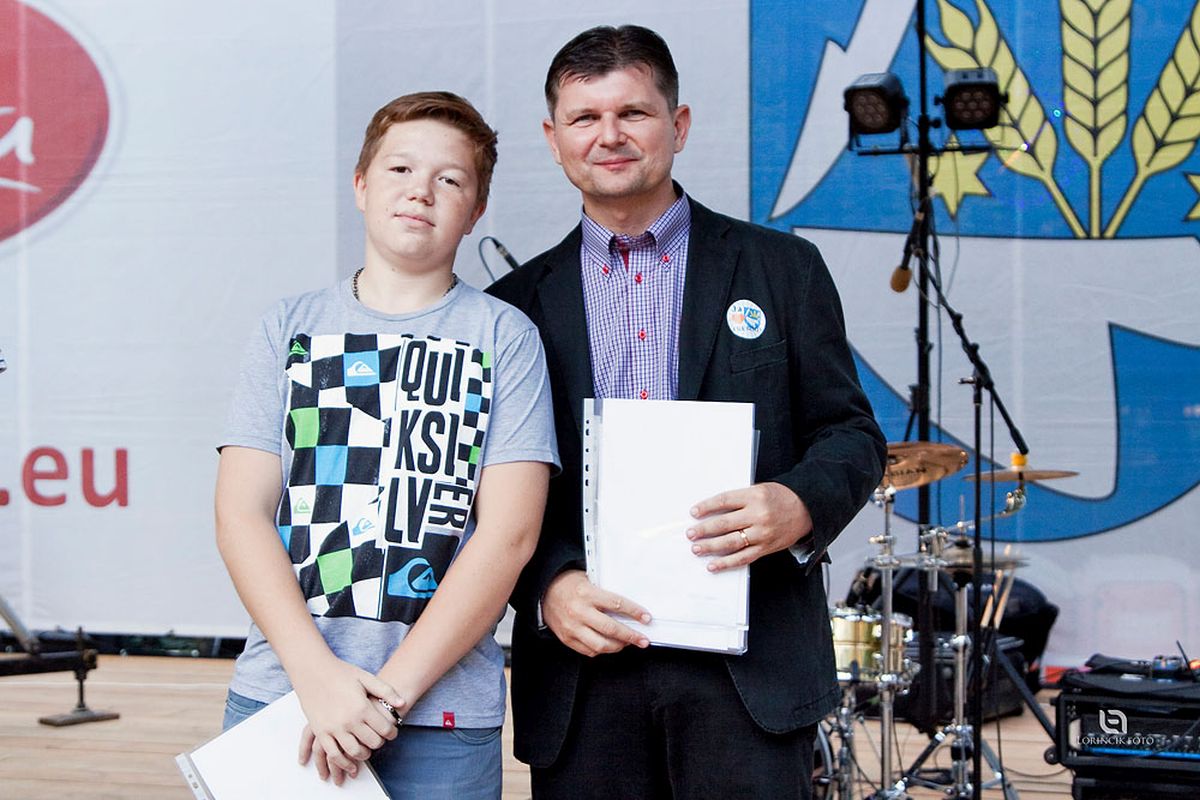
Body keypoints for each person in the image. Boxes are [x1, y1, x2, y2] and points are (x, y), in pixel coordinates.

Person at [487, 25, 886, 799]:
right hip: (583, 671)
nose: (609, 135)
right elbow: (493, 492)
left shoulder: (783, 269)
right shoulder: (511, 309)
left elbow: (852, 434)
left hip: (749, 666)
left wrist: (797, 503)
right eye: (584, 117)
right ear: (553, 138)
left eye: (633, 112)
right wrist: (546, 586)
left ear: (679, 124)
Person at [215, 91, 558, 799]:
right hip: (285, 696)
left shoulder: (505, 337)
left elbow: (510, 536)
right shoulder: (287, 327)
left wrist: (385, 699)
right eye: (400, 169)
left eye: (450, 179)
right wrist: (317, 678)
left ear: (477, 209)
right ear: (361, 185)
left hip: (441, 714)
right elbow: (241, 514)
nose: (420, 191)